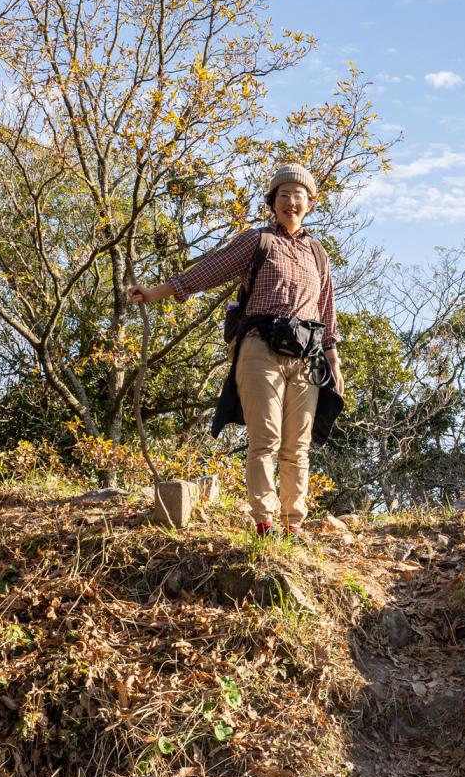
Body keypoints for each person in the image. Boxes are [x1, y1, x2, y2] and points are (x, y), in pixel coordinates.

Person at [128, 163, 343, 537]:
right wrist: (155, 293)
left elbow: (327, 313)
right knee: (266, 438)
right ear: (272, 202)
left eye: (299, 195)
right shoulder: (257, 241)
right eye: (284, 195)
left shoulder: (318, 254)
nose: (291, 201)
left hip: (307, 357)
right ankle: (264, 521)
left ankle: (294, 525)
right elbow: (208, 271)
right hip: (260, 347)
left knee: (298, 446)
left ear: (310, 202)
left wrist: (334, 363)